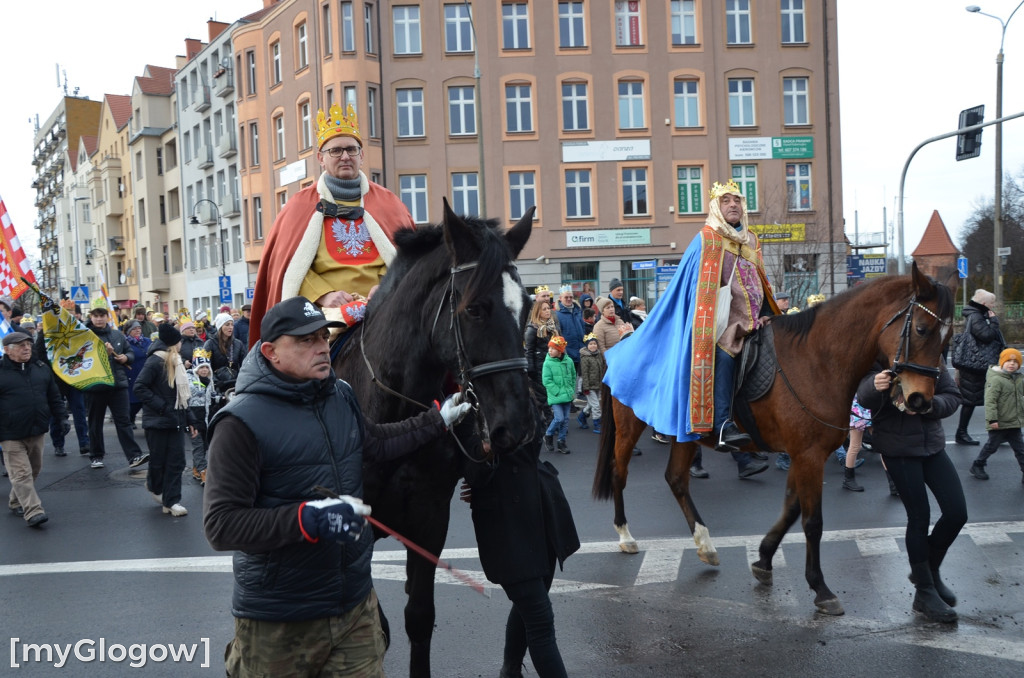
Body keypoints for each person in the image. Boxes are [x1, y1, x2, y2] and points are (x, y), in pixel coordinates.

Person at [203, 296, 471, 676]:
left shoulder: (340, 394)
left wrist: (436, 421)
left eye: (322, 338)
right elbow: (221, 525)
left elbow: (376, 442)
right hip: (280, 619)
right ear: (270, 352)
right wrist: (307, 520)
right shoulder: (239, 423)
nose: (321, 349)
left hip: (354, 608)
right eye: (305, 341)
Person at [603, 180, 779, 453]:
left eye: (737, 200)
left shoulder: (751, 239)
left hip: (756, 321)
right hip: (724, 323)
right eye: (725, 200)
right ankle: (722, 424)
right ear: (715, 207)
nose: (733, 204)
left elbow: (761, 281)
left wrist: (767, 312)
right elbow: (695, 288)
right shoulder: (707, 238)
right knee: (724, 352)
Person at [249, 103, 414, 347]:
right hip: (320, 314)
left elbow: (408, 261)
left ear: (361, 155)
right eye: (336, 151)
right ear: (321, 158)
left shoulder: (389, 204)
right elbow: (286, 272)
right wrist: (323, 294)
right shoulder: (298, 207)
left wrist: (385, 287)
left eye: (351, 149)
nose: (345, 156)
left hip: (386, 304)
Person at [461, 431, 578, 678]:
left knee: (531, 606)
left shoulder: (524, 394)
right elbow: (470, 471)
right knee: (540, 619)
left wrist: (494, 455)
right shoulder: (466, 403)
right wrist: (487, 457)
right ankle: (510, 670)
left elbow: (537, 427)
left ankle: (510, 670)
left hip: (541, 512)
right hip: (506, 526)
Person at [856, 361, 965, 623]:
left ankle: (928, 571)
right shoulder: (880, 356)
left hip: (933, 446)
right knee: (919, 518)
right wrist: (875, 385)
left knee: (956, 513)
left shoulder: (931, 356)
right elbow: (863, 396)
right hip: (899, 449)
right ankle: (924, 592)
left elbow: (952, 396)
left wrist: (929, 406)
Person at [0, 331, 68, 527]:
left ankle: (16, 500)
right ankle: (33, 511)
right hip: (10, 432)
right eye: (20, 345)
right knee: (21, 473)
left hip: (37, 429)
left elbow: (54, 396)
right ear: (7, 350)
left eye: (28, 344)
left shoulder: (41, 368)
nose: (26, 348)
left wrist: (62, 418)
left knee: (34, 469)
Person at [132, 323, 191, 517]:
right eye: (179, 341)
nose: (182, 344)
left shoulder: (176, 361)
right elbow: (140, 387)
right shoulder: (156, 361)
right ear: (174, 343)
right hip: (157, 421)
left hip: (175, 420)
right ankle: (154, 485)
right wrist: (163, 407)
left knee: (177, 461)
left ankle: (171, 501)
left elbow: (181, 396)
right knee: (158, 461)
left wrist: (190, 420)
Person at [84, 305, 148, 470]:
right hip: (95, 385)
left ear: (107, 317)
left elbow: (130, 353)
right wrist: (103, 353)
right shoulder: (84, 335)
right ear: (91, 318)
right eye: (96, 316)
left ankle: (134, 456)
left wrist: (125, 357)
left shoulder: (116, 334)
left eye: (102, 316)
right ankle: (96, 456)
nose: (99, 319)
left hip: (118, 384)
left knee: (124, 421)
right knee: (95, 422)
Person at [955, 289, 1006, 445]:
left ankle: (999, 432)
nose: (994, 305)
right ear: (984, 304)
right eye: (992, 302)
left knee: (992, 397)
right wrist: (995, 321)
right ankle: (961, 433)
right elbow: (986, 336)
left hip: (976, 365)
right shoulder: (976, 316)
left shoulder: (977, 314)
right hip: (975, 366)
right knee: (972, 401)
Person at [969, 348, 1024, 482]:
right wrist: (992, 419)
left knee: (1020, 450)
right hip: (999, 422)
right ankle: (978, 465)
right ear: (1002, 362)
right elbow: (990, 401)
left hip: (1014, 421)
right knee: (991, 446)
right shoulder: (996, 380)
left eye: (1015, 361)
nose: (1012, 364)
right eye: (1008, 361)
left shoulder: (1018, 379)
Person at [185, 349, 217, 486]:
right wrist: (187, 420)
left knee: (204, 445)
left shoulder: (210, 381)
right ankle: (204, 471)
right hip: (193, 418)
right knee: (198, 446)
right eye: (201, 367)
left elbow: (211, 397)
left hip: (205, 417)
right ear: (196, 368)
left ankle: (196, 469)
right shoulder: (188, 379)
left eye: (206, 367)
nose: (204, 370)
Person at [524, 300, 557, 426]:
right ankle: (549, 420)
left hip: (552, 365)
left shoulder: (552, 327)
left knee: (550, 393)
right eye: (544, 309)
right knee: (542, 395)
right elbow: (529, 350)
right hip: (539, 367)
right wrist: (531, 369)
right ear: (538, 312)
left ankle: (547, 420)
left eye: (548, 308)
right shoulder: (532, 329)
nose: (548, 311)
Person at [542, 336, 575, 455]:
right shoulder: (547, 363)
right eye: (549, 348)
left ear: (560, 350)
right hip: (555, 396)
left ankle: (562, 441)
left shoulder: (569, 361)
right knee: (559, 418)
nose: (550, 350)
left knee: (565, 420)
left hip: (567, 395)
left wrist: (571, 391)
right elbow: (547, 381)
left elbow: (572, 376)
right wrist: (557, 391)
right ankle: (548, 434)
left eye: (553, 348)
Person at [204, 313, 246, 392]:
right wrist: (215, 381)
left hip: (235, 384)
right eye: (227, 325)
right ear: (220, 327)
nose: (230, 327)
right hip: (217, 386)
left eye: (232, 324)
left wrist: (241, 379)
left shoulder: (238, 344)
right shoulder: (210, 344)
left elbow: (244, 365)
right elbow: (206, 366)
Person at [123, 320, 152, 428]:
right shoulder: (125, 343)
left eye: (139, 328)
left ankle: (148, 423)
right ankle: (130, 419)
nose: (137, 330)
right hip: (132, 373)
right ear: (129, 331)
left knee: (147, 400)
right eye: (134, 329)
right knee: (134, 402)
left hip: (147, 374)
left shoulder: (147, 341)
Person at [577, 334, 605, 434]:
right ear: (587, 346)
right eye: (590, 344)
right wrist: (586, 387)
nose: (593, 346)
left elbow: (601, 370)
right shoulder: (585, 358)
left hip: (597, 384)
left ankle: (582, 417)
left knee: (591, 404)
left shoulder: (598, 355)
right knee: (596, 406)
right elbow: (584, 374)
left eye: (594, 344)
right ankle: (597, 424)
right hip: (589, 386)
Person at [553, 286, 584, 377]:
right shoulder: (557, 314)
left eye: (570, 297)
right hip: (568, 353)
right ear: (560, 298)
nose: (569, 299)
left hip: (581, 352)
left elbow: (583, 328)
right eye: (566, 297)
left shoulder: (578, 311)